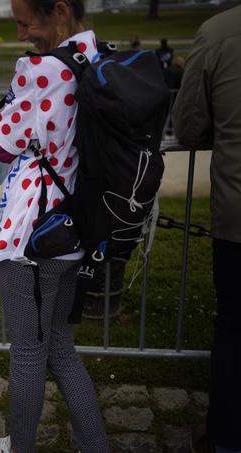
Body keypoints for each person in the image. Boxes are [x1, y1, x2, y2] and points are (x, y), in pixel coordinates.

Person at [0, 0, 110, 451]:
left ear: (58, 10)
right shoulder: (96, 55)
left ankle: (20, 449)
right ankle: (95, 445)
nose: (21, 35)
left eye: (24, 22)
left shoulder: (41, 70)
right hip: (77, 227)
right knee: (61, 349)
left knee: (28, 356)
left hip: (32, 237)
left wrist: (12, 104)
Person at [172, 6, 241, 453]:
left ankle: (228, 439)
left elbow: (190, 126)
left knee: (235, 329)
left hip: (237, 215)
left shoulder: (218, 32)